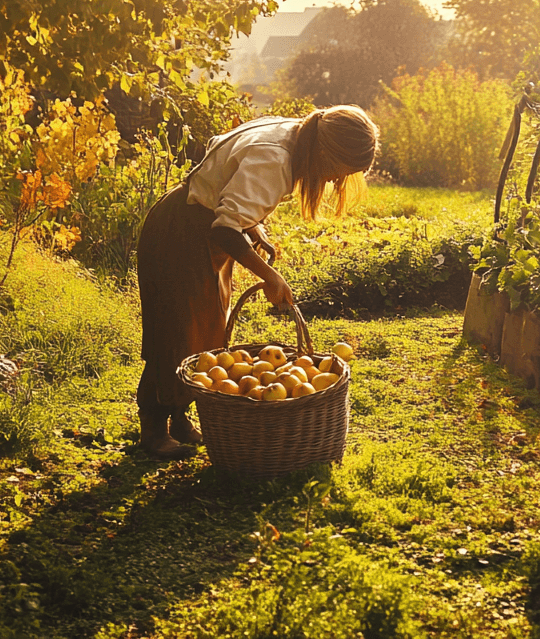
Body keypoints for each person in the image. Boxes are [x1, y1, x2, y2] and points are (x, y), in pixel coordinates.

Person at [135, 105, 379, 458]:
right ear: (326, 153)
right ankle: (153, 431)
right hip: (180, 235)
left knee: (203, 333)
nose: (331, 181)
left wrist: (254, 226)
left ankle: (179, 419)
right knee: (173, 334)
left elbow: (225, 171)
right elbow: (224, 229)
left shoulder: (295, 133)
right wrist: (269, 276)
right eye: (336, 173)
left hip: (197, 231)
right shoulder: (276, 159)